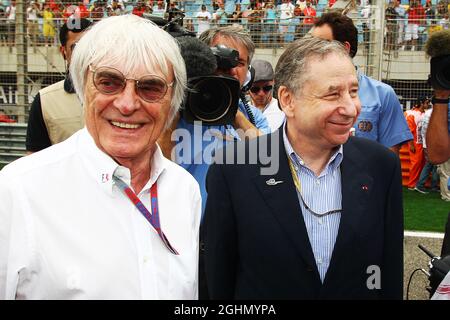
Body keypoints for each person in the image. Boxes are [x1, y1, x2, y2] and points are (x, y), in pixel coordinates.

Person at [0, 15, 201, 300]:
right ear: (83, 87)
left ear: (172, 101)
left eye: (150, 87)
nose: (128, 104)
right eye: (109, 82)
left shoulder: (184, 190)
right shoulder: (18, 191)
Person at [202, 36, 404, 299]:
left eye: (353, 91)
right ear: (287, 100)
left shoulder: (381, 165)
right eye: (333, 94)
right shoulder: (233, 170)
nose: (350, 107)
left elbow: (388, 273)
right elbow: (220, 280)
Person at [159, 25, 270, 215]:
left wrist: (233, 113)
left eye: (239, 62)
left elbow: (268, 160)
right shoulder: (177, 110)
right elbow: (155, 166)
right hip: (182, 223)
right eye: (220, 59)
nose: (230, 69)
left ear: (248, 72)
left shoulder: (252, 117)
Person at [311, 12, 413, 155]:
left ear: (344, 49)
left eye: (320, 45)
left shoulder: (383, 95)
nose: (311, 51)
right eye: (310, 44)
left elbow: (388, 161)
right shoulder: (306, 92)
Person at [26, 18, 92, 154]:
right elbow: (33, 159)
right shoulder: (45, 101)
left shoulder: (120, 94)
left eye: (90, 46)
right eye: (77, 47)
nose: (84, 53)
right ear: (63, 52)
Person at [248, 59, 285, 132]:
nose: (261, 94)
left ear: (273, 82)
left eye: (267, 88)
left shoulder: (283, 111)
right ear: (247, 86)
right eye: (255, 89)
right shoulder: (242, 111)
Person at [404, 96, 428, 189]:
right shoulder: (411, 114)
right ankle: (411, 184)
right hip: (415, 142)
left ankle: (419, 183)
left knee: (422, 163)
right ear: (421, 103)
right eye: (426, 102)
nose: (428, 104)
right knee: (416, 163)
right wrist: (411, 144)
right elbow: (409, 130)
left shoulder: (425, 113)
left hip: (424, 143)